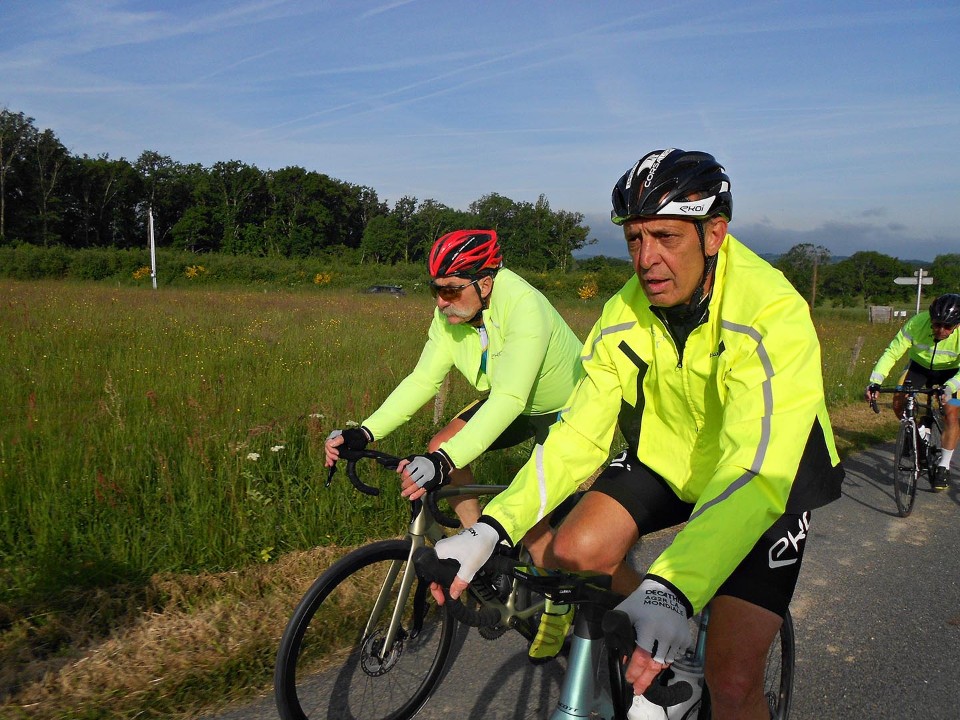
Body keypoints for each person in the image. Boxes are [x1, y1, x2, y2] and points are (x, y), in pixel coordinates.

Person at [425, 149, 845, 718]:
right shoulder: (623, 312)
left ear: (714, 234)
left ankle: (682, 627)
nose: (647, 260)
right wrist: (495, 527)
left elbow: (754, 464)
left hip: (768, 474)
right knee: (574, 550)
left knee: (732, 680)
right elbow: (579, 432)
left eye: (666, 237)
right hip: (670, 457)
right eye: (634, 239)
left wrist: (673, 585)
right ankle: (673, 644)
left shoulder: (771, 311)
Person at [324, 228, 584, 595]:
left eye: (450, 290)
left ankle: (559, 606)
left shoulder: (524, 304)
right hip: (517, 402)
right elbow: (422, 380)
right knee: (441, 443)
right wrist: (365, 431)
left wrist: (444, 462)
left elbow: (509, 397)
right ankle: (483, 553)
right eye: (435, 290)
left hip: (567, 407)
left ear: (485, 284)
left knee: (529, 518)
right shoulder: (450, 316)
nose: (441, 302)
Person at [865, 293, 960, 491]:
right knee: (899, 403)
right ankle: (917, 435)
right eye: (936, 324)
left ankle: (943, 466)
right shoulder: (916, 323)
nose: (941, 330)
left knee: (952, 414)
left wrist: (950, 386)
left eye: (947, 327)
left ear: (957, 325)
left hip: (952, 374)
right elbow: (892, 352)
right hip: (919, 368)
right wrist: (875, 382)